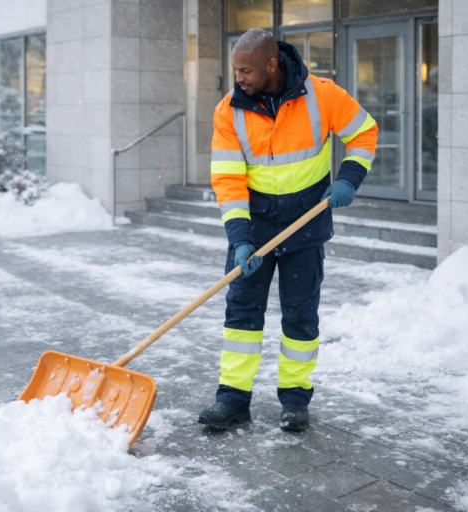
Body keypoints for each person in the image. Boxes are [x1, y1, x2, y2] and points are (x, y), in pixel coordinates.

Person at [198, 28, 378, 432]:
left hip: (306, 222)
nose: (238, 78)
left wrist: (349, 177)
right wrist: (241, 239)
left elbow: (364, 132)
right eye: (235, 70)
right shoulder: (229, 111)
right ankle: (232, 398)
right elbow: (228, 178)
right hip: (256, 227)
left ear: (272, 65)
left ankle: (295, 399)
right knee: (241, 314)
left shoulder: (323, 95)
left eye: (246, 70)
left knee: (300, 316)